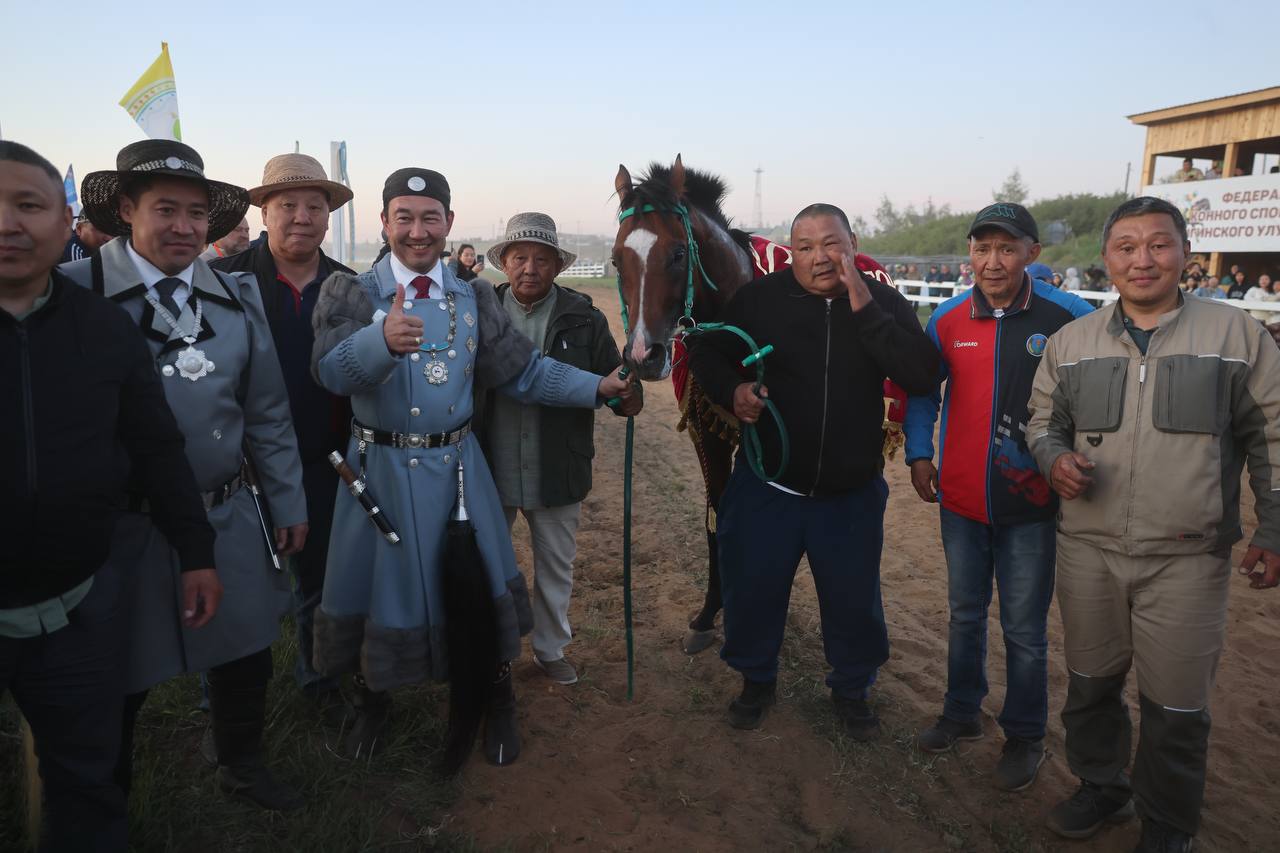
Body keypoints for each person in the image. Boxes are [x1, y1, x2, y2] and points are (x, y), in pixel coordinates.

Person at [309, 168, 632, 767]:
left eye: (430, 218)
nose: (418, 231)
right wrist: (380, 342)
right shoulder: (349, 292)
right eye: (404, 217)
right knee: (377, 586)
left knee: (481, 585)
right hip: (377, 472)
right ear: (384, 223)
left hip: (457, 472)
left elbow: (525, 373)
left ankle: (495, 697)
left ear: (449, 223)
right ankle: (374, 700)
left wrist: (597, 386)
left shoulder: (474, 297)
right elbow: (327, 371)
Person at [62, 139, 308, 811]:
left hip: (224, 511)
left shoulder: (234, 294)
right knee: (117, 673)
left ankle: (242, 766)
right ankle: (105, 801)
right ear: (125, 210)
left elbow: (266, 412)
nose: (183, 226)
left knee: (245, 649)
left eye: (196, 213)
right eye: (165, 209)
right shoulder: (76, 292)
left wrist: (287, 500)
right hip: (121, 527)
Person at [1027, 196, 1280, 852]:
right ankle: (1102, 786)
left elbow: (1272, 436)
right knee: (1090, 686)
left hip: (1189, 558)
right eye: (1127, 246)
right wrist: (1054, 459)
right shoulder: (1072, 343)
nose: (1143, 259)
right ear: (1106, 258)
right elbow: (1043, 422)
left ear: (1185, 254)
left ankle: (1168, 824)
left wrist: (1273, 529)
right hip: (1088, 550)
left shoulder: (1237, 337)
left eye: (1159, 244)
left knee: (1176, 707)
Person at [1, 141, 217, 853]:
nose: (8, 223)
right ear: (122, 213)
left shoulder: (102, 325)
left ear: (64, 220)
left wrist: (196, 550)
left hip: (77, 604)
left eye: (28, 205)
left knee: (86, 783)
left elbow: (156, 446)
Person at [687, 203, 938, 740]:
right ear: (791, 253)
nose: (819, 257)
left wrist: (864, 308)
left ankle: (852, 691)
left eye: (831, 244)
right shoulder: (759, 299)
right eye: (805, 247)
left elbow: (921, 372)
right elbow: (705, 350)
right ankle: (756, 681)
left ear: (853, 245)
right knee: (754, 588)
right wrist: (733, 390)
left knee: (853, 601)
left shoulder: (884, 302)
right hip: (769, 484)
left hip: (850, 492)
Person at [904, 203, 1093, 792]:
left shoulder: (1070, 317)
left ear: (1031, 254)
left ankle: (1026, 735)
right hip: (961, 501)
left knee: (1024, 630)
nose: (992, 261)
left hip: (1032, 506)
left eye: (1006, 249)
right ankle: (961, 712)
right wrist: (919, 452)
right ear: (970, 253)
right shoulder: (948, 318)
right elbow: (923, 392)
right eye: (982, 248)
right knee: (964, 614)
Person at [210, 153, 356, 722]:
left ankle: (320, 683)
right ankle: (224, 708)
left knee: (319, 581)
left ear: (328, 216)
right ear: (263, 212)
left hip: (324, 458)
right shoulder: (223, 281)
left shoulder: (348, 287)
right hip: (239, 467)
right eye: (287, 205)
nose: (302, 217)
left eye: (314, 206)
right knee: (237, 587)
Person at [477, 213, 642, 686]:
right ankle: (493, 650)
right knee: (488, 566)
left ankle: (550, 650)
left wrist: (628, 392)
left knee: (555, 566)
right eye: (520, 258)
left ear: (557, 265)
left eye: (541, 259)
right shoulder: (481, 313)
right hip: (489, 466)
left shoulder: (584, 318)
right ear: (505, 263)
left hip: (558, 465)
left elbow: (617, 388)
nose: (530, 268)